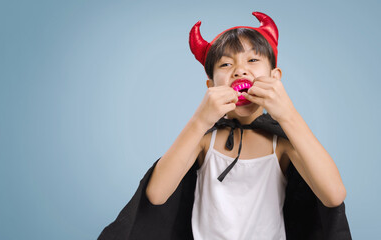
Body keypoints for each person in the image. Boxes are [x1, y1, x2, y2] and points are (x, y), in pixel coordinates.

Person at [98, 12, 352, 240]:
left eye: (253, 60)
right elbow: (156, 195)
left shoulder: (283, 145)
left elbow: (334, 195)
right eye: (226, 64)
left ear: (275, 78)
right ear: (211, 86)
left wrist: (288, 115)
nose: (240, 71)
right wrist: (200, 120)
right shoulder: (204, 139)